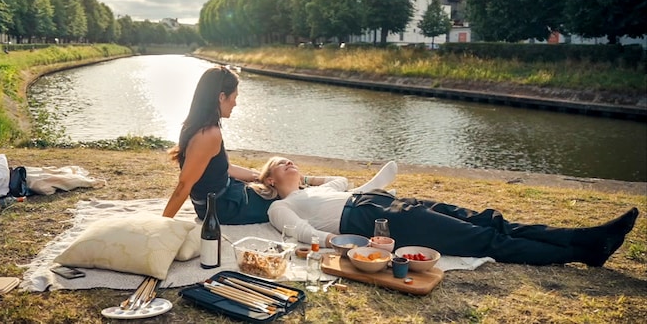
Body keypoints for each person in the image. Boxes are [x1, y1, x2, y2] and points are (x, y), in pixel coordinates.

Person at [252, 156, 639, 267]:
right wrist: (343, 244)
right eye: (279, 165)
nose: (289, 164)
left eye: (291, 161)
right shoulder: (281, 207)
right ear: (268, 180)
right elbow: (303, 234)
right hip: (370, 220)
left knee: (489, 219)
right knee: (483, 239)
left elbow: (337, 178)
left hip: (382, 201)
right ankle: (580, 251)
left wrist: (310, 178)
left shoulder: (321, 188)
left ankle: (583, 238)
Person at [162, 65, 275, 224]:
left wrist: (258, 176)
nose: (235, 103)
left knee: (277, 187)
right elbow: (184, 185)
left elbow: (225, 168)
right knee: (283, 201)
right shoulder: (208, 134)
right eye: (234, 97)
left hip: (225, 195)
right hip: (223, 207)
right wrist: (162, 224)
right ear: (222, 97)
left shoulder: (195, 125)